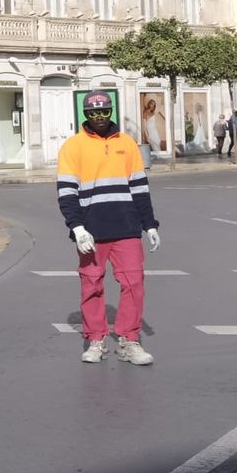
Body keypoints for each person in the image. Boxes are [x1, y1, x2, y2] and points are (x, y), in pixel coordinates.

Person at [56, 90, 160, 366]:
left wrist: (149, 224)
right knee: (91, 285)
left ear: (111, 111)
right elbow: (67, 192)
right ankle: (96, 339)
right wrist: (77, 228)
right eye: (93, 112)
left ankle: (129, 340)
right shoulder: (73, 146)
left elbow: (139, 188)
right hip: (91, 230)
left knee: (134, 283)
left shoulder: (127, 143)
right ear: (85, 114)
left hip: (126, 226)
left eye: (104, 111)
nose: (99, 117)